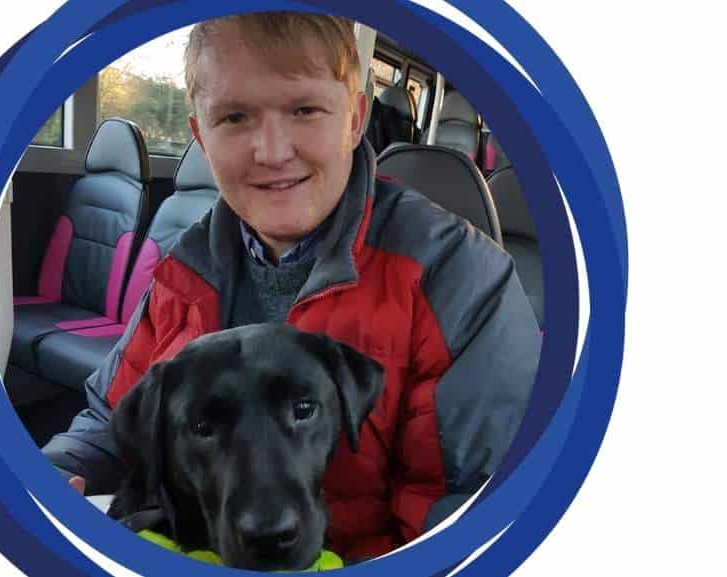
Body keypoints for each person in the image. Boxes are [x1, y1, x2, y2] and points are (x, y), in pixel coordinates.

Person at [43, 12, 540, 561]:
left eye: (304, 110)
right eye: (234, 117)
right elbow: (109, 422)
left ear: (353, 120)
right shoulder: (183, 268)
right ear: (201, 139)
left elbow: (482, 514)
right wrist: (57, 472)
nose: (272, 151)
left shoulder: (462, 280)